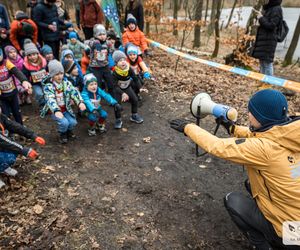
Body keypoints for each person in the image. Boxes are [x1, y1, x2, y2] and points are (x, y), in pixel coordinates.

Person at [170, 89, 300, 250]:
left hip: (291, 235)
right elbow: (262, 135)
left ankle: (266, 245)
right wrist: (232, 128)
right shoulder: (289, 134)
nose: (249, 114)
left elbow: (218, 146)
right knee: (250, 183)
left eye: (251, 112)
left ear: (261, 117)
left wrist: (187, 127)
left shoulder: (264, 150)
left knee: (233, 201)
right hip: (296, 216)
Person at [41, 60, 86, 144]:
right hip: (55, 110)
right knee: (64, 122)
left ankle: (69, 131)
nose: (59, 76)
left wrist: (80, 102)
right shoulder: (49, 87)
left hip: (65, 109)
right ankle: (63, 133)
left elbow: (74, 92)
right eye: (56, 74)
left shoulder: (66, 83)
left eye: (61, 73)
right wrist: (56, 110)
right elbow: (50, 99)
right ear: (52, 75)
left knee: (73, 122)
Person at [0, 104, 45, 188]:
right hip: (2, 143)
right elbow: (3, 141)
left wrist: (32, 135)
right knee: (12, 150)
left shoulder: (1, 117)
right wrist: (24, 150)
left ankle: (3, 167)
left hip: (2, 145)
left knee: (11, 154)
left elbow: (14, 126)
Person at [111, 50, 143, 129]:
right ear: (116, 63)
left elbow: (135, 78)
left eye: (124, 60)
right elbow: (114, 86)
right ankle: (118, 119)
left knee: (135, 100)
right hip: (118, 90)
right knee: (117, 106)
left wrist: (140, 88)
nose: (123, 62)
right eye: (120, 61)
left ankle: (134, 115)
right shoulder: (114, 73)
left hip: (127, 87)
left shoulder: (129, 69)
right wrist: (122, 93)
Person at [0, 48, 32, 125]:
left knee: (17, 112)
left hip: (13, 93)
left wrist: (24, 80)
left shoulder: (6, 62)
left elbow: (16, 71)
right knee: (6, 114)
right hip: (2, 97)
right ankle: (10, 132)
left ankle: (21, 127)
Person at [251, 0, 283, 76]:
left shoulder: (276, 9)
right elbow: (267, 23)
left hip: (269, 41)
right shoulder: (270, 8)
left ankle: (268, 83)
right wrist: (259, 17)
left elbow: (272, 25)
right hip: (264, 40)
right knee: (262, 62)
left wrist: (261, 18)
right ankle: (263, 82)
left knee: (267, 63)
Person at [87, 24, 114, 96]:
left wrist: (111, 46)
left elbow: (111, 51)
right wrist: (96, 43)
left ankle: (113, 99)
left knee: (110, 83)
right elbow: (89, 44)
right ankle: (96, 99)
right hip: (95, 67)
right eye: (100, 35)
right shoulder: (92, 41)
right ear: (95, 35)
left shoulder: (108, 43)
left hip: (105, 66)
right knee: (97, 84)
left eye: (104, 34)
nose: (102, 36)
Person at [22, 41, 48, 108]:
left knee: (47, 92)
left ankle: (49, 104)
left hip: (45, 81)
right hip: (35, 83)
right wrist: (28, 86)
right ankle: (42, 105)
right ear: (27, 56)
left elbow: (48, 69)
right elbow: (25, 76)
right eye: (29, 55)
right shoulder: (25, 65)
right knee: (39, 94)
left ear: (37, 54)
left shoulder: (43, 61)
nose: (32, 57)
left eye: (34, 54)